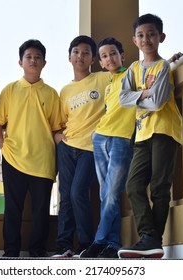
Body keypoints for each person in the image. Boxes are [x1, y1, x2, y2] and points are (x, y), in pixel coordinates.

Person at [117, 13, 183, 259]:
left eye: (152, 34)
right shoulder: (134, 68)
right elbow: (123, 98)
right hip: (142, 133)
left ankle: (152, 242)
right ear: (135, 40)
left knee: (159, 187)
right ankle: (149, 237)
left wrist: (139, 97)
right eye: (141, 35)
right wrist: (145, 94)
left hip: (164, 130)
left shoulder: (163, 66)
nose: (146, 39)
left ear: (161, 37)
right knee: (133, 185)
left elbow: (158, 104)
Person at [0, 39, 61, 258]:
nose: (33, 60)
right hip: (13, 159)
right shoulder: (10, 90)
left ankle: (37, 252)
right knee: (13, 209)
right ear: (20, 61)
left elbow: (56, 128)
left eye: (37, 57)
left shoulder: (51, 93)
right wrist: (3, 146)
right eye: (28, 57)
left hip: (43, 161)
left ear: (44, 63)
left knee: (41, 211)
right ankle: (10, 252)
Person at [51, 35, 111, 258]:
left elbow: (129, 76)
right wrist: (58, 137)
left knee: (78, 192)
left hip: (91, 147)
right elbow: (60, 121)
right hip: (67, 148)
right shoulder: (65, 90)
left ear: (93, 59)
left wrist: (168, 61)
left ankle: (87, 245)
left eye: (86, 53)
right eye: (76, 52)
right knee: (65, 195)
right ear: (69, 57)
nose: (80, 56)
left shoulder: (103, 79)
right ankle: (63, 246)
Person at [79, 37, 136, 259]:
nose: (109, 58)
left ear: (122, 55)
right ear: (100, 63)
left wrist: (169, 61)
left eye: (113, 53)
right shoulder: (110, 83)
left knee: (112, 192)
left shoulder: (132, 74)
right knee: (106, 194)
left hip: (122, 139)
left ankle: (99, 240)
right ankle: (112, 244)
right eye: (104, 56)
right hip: (100, 138)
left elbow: (152, 72)